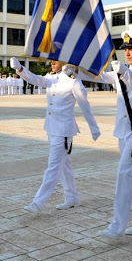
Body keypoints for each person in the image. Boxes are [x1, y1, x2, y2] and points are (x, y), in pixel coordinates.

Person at [77, 31, 132, 239]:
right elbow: (97, 75)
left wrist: (124, 73)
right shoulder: (121, 71)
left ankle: (117, 226)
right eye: (126, 49)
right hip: (124, 131)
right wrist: (77, 69)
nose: (128, 53)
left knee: (124, 174)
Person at [11, 57, 101, 212]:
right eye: (51, 61)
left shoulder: (73, 82)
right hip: (52, 128)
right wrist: (20, 69)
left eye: (55, 61)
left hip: (64, 131)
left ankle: (38, 202)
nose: (51, 64)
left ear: (65, 62)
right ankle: (72, 196)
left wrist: (94, 128)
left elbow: (85, 105)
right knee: (64, 166)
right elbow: (36, 79)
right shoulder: (52, 78)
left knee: (53, 167)